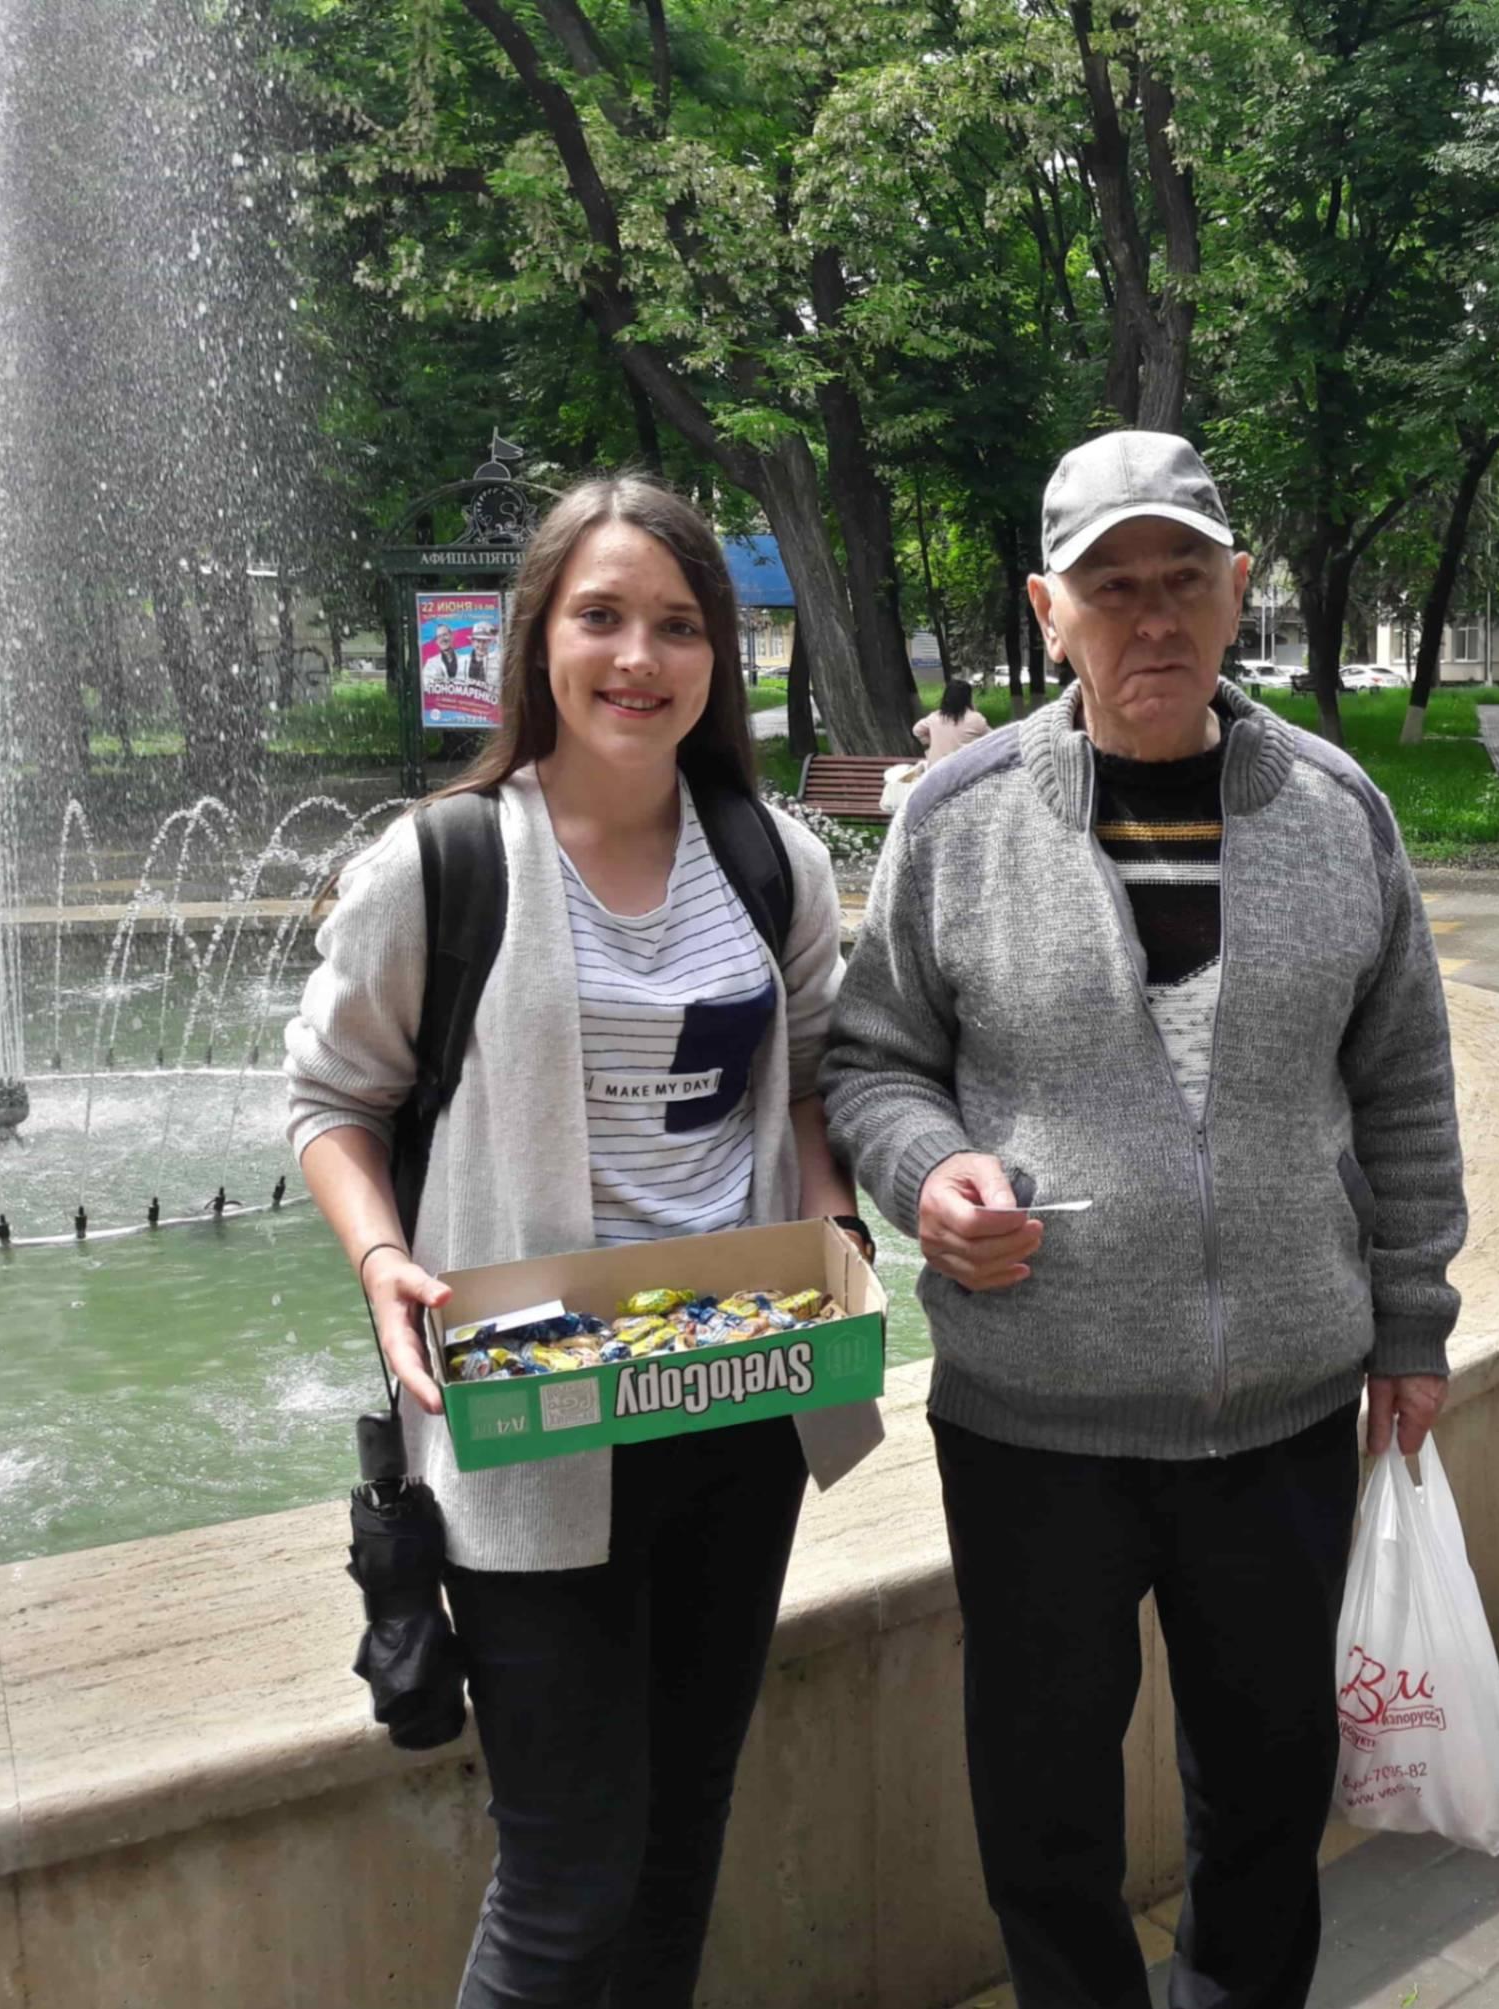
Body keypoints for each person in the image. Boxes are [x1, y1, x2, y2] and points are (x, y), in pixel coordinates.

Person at [824, 428, 1467, 2006]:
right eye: (1112, 587)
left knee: (1264, 1796)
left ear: (1240, 589)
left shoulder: (1334, 811)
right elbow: (872, 1061)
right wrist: (927, 1178)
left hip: (1285, 1410)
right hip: (1033, 1420)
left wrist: (1412, 1321)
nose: (1153, 618)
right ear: (1050, 612)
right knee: (1041, 1810)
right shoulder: (961, 820)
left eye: (1184, 576)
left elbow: (1400, 1085)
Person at [286, 471, 880, 2009]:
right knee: (565, 1882)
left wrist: (826, 1204)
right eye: (600, 615)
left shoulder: (774, 862)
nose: (639, 656)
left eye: (676, 624)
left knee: (683, 1836)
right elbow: (330, 1104)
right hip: (527, 1410)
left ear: (715, 658)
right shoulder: (446, 863)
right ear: (536, 637)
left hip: (733, 1392)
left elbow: (811, 1080)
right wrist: (380, 1259)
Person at [912, 675, 993, 761]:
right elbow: (993, 739)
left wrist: (931, 742)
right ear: (968, 698)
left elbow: (917, 730)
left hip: (935, 769)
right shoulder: (975, 719)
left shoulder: (934, 717)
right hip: (964, 769)